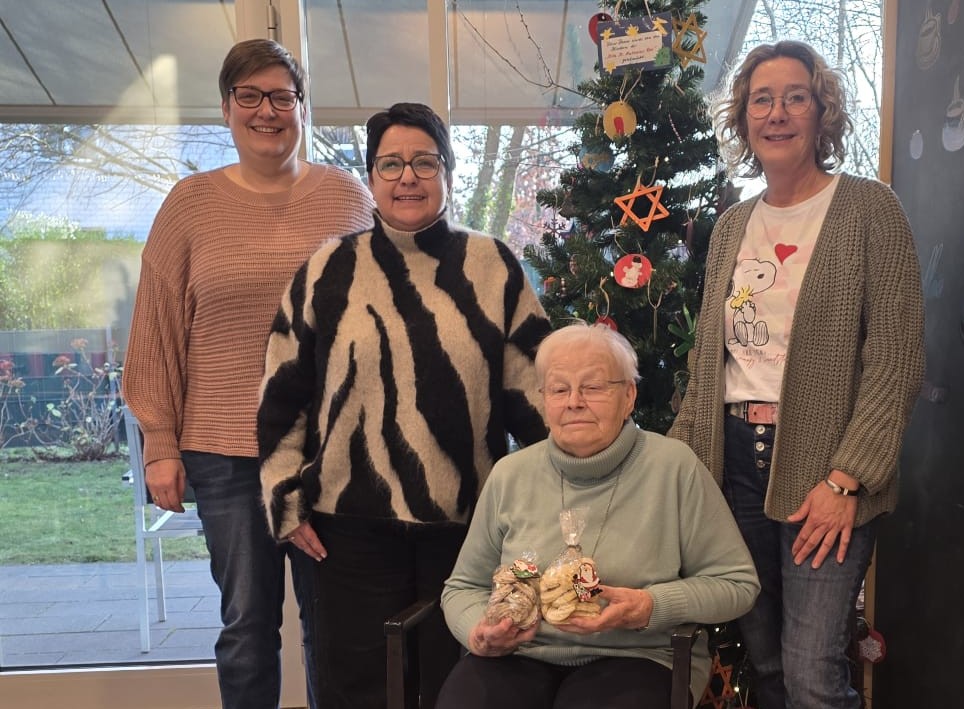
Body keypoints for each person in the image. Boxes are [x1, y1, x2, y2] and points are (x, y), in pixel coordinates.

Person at [257, 101, 551, 709]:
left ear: (447, 172)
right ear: (371, 176)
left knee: (460, 687)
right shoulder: (328, 269)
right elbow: (283, 391)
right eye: (390, 164)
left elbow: (535, 391)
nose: (407, 177)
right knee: (357, 689)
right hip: (348, 527)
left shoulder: (493, 266)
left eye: (424, 162)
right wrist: (285, 497)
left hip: (467, 528)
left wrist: (557, 496)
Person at [667, 40, 925, 709]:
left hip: (825, 471)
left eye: (795, 97)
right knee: (768, 665)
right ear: (743, 118)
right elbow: (708, 362)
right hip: (733, 467)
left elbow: (895, 359)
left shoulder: (870, 209)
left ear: (822, 111)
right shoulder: (733, 226)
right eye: (761, 100)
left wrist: (848, 478)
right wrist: (681, 465)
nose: (776, 113)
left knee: (813, 674)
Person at [122, 38, 374, 708]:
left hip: (328, 453)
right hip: (226, 454)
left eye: (282, 97)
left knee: (337, 628)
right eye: (250, 96)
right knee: (247, 628)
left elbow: (382, 317)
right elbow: (155, 331)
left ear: (302, 107)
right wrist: (160, 443)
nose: (267, 111)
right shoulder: (190, 204)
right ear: (227, 108)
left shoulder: (347, 198)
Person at [439, 322, 760, 709]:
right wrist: (478, 632)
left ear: (629, 396)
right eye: (559, 389)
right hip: (522, 653)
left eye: (592, 387)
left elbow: (737, 584)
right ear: (543, 401)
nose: (574, 402)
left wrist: (650, 606)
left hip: (639, 656)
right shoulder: (511, 475)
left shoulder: (673, 468)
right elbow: (462, 587)